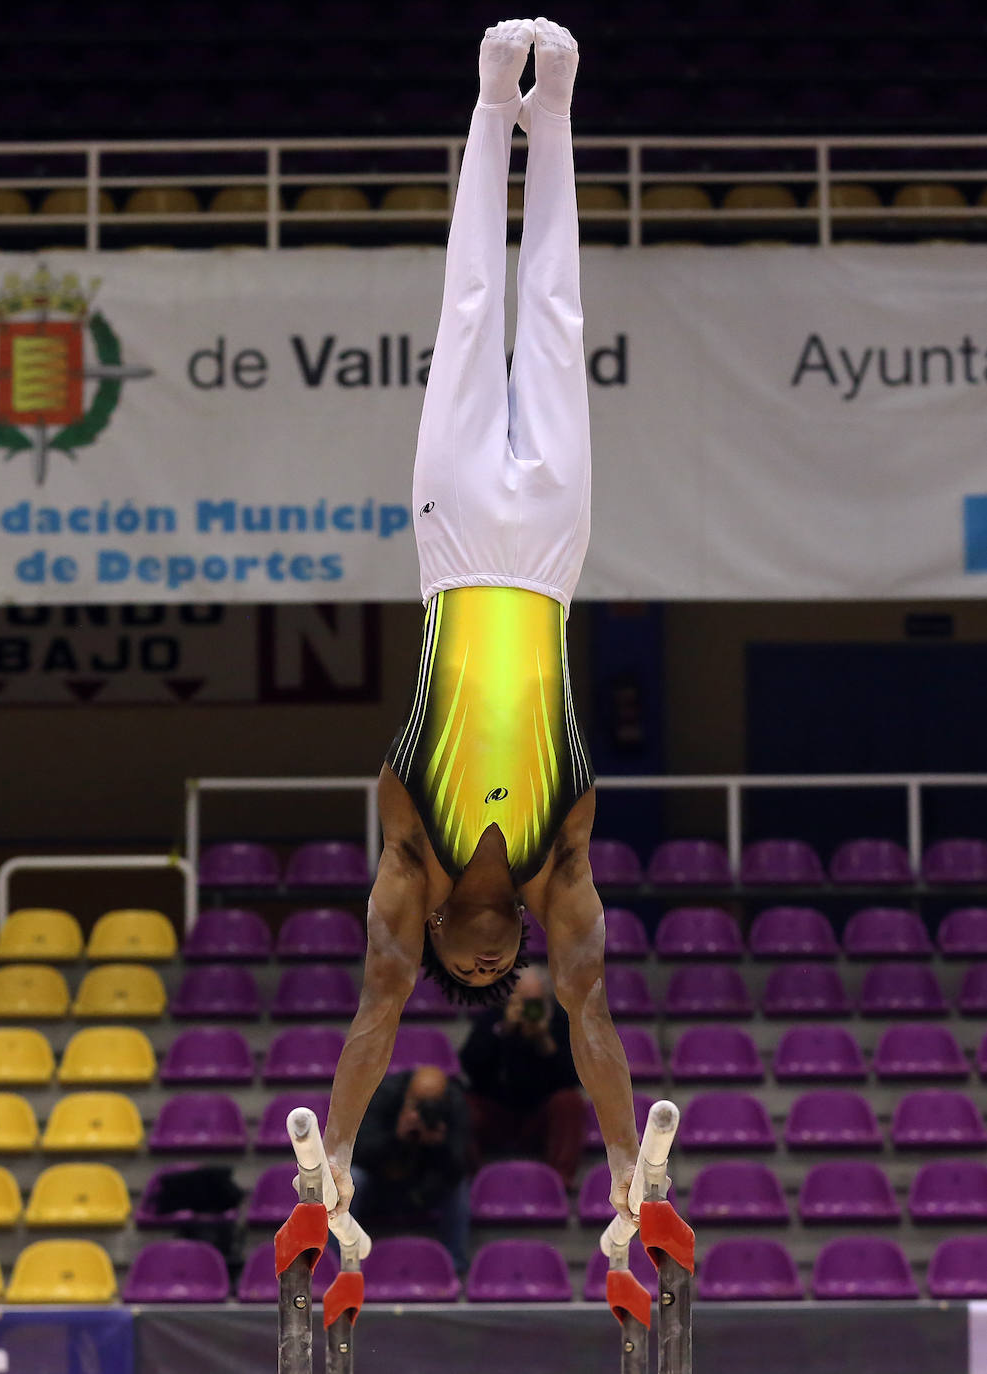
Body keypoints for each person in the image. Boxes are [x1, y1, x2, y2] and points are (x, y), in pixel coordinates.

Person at [324, 17, 640, 1236]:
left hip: (454, 552)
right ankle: (551, 107)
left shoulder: (411, 854)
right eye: (491, 972)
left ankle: (487, 101)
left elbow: (376, 1006)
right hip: (549, 560)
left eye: (461, 972)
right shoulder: (563, 864)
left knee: (466, 316)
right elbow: (590, 1010)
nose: (481, 969)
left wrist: (335, 1151)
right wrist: (626, 1164)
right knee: (553, 322)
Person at [460, 965, 586, 1190]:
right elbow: (470, 1066)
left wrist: (546, 1043)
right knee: (462, 1104)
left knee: (570, 1102)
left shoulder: (560, 1020)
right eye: (522, 1001)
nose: (529, 1009)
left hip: (539, 1117)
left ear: (546, 999)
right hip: (497, 1112)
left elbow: (575, 1078)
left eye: (534, 1002)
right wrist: (503, 1031)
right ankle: (474, 1180)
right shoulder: (493, 1018)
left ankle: (560, 1180)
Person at [350, 1065, 471, 1273]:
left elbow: (460, 1166)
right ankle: (338, 1266)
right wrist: (396, 1137)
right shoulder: (384, 1095)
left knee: (459, 1187)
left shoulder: (455, 1104)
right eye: (419, 1103)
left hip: (426, 1187)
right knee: (352, 1179)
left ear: (444, 1099)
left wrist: (439, 1145)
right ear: (407, 1094)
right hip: (380, 1185)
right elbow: (358, 1153)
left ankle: (455, 1267)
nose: (425, 1110)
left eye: (433, 1103)